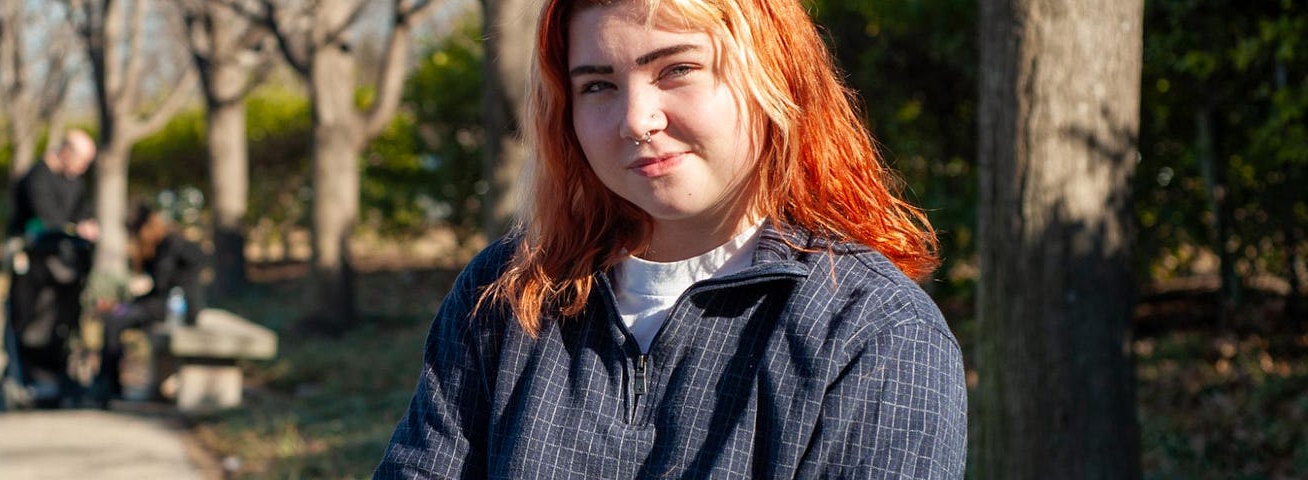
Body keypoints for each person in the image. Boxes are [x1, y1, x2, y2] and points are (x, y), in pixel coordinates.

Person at [375, 0, 966, 477]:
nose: (637, 119)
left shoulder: (872, 328)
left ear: (775, 72)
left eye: (676, 69)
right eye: (598, 86)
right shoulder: (507, 293)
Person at [4, 129, 99, 405]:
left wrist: (89, 227)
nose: (82, 169)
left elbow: (83, 213)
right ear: (66, 152)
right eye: (81, 161)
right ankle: (28, 375)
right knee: (29, 321)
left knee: (65, 321)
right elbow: (46, 219)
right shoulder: (36, 178)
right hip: (35, 265)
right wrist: (73, 229)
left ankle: (59, 375)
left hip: (67, 266)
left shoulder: (75, 183)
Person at [88, 202, 208, 408]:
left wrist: (131, 301)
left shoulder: (171, 244)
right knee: (114, 317)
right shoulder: (161, 245)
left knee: (116, 321)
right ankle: (108, 383)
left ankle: (107, 386)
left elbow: (162, 284)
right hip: (164, 304)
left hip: (178, 308)